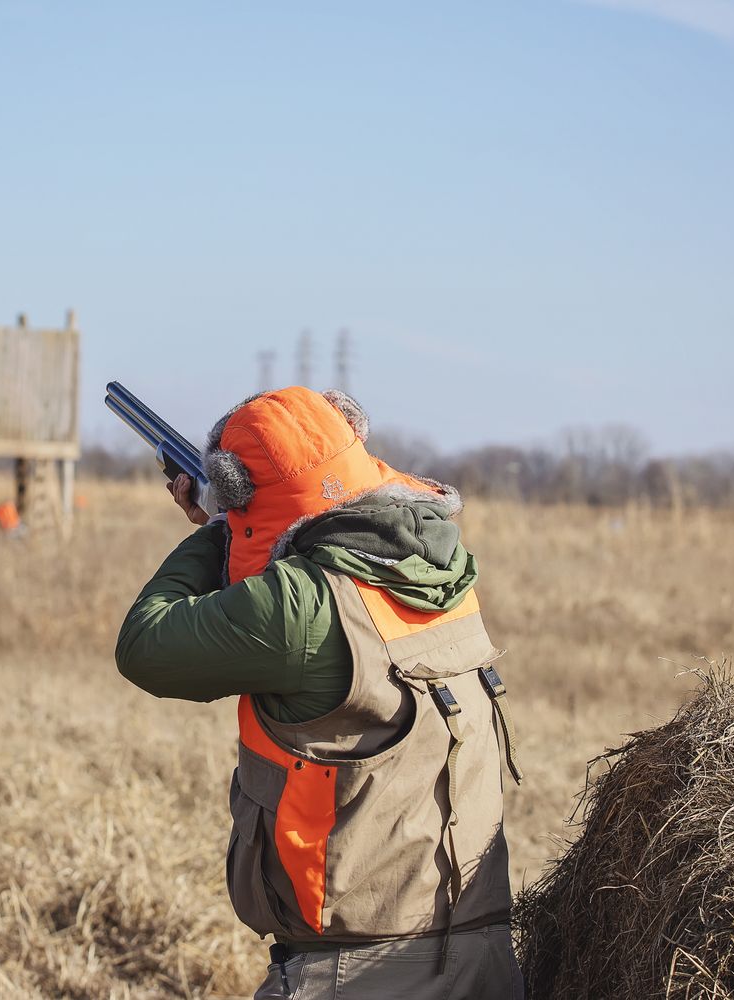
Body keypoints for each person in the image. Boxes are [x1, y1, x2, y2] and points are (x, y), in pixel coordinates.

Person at [116, 386, 524, 1000]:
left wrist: (221, 532)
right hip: (483, 955)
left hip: (359, 976)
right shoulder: (437, 567)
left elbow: (145, 645)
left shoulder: (300, 605)